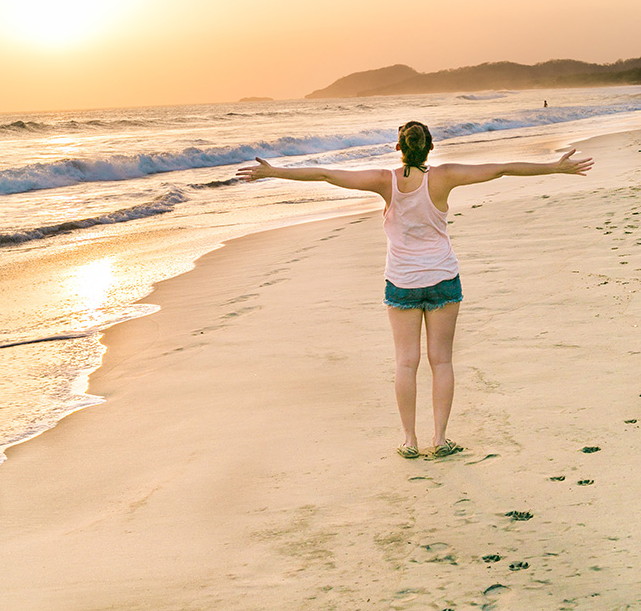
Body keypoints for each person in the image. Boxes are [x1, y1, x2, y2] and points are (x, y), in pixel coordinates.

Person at [236, 121, 593, 460]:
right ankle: (440, 440)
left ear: (399, 148)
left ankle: (410, 441)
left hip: (402, 284)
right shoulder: (445, 176)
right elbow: (501, 168)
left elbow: (327, 174)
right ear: (430, 147)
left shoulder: (383, 180)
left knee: (406, 363)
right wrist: (554, 168)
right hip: (442, 279)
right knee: (442, 362)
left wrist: (273, 172)